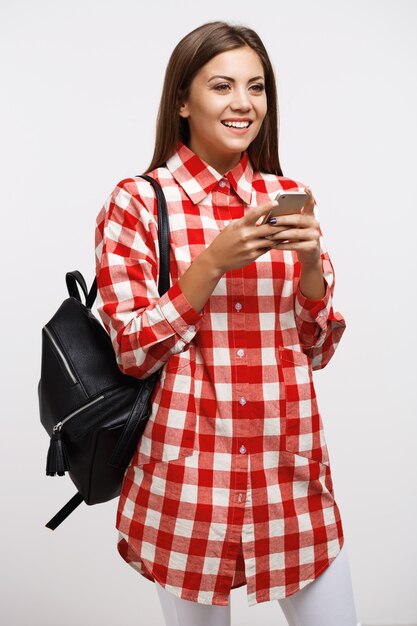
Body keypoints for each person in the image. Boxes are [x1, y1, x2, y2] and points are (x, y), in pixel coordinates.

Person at [94, 20, 360, 626]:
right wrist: (210, 263)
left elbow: (316, 348)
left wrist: (312, 261)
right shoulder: (137, 202)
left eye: (257, 87)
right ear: (182, 101)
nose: (243, 103)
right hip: (189, 481)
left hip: (288, 473)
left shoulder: (285, 194)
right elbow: (131, 351)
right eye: (222, 86)